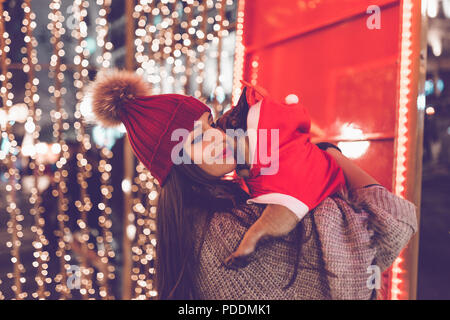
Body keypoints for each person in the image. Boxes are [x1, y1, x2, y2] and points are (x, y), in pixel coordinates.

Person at [89, 69, 418, 300]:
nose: (217, 138)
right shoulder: (229, 232)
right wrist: (328, 153)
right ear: (178, 165)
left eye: (210, 125)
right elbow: (387, 225)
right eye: (197, 139)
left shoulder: (201, 223)